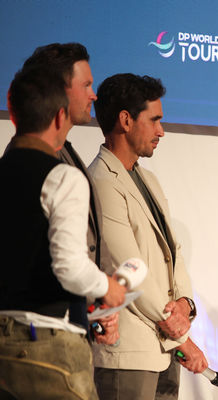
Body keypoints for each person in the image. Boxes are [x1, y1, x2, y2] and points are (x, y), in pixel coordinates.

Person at [0, 67, 126, 399]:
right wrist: (108, 287)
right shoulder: (63, 177)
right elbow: (69, 267)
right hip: (46, 348)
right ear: (60, 115)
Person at [89, 73, 208, 400]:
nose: (161, 131)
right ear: (125, 120)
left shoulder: (148, 180)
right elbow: (127, 265)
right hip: (127, 352)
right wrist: (180, 334)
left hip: (164, 348)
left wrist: (185, 304)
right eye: (154, 120)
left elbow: (173, 251)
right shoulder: (101, 181)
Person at [11, 42, 120, 342]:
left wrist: (93, 307)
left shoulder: (62, 155)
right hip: (47, 338)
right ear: (57, 92)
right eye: (86, 85)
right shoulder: (55, 171)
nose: (93, 94)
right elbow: (66, 265)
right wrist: (106, 287)